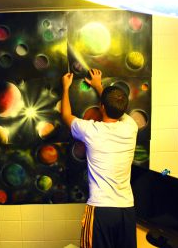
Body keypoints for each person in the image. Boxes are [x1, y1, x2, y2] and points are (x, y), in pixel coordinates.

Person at [61, 69, 138, 248]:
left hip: (101, 210)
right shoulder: (131, 127)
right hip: (126, 209)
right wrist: (98, 86)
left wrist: (65, 88)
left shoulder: (91, 131)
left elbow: (66, 116)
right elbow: (115, 107)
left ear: (101, 106)